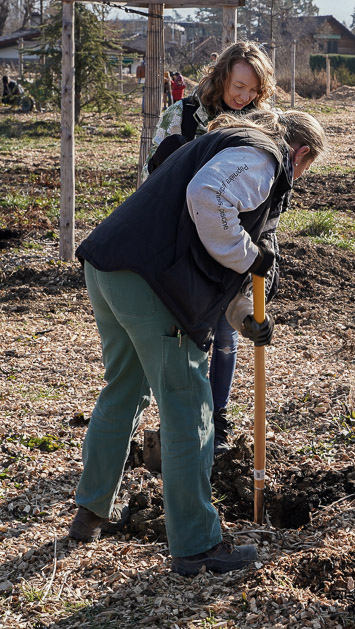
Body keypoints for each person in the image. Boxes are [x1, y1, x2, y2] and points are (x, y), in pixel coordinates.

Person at [68, 109, 327, 575]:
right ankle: (196, 545)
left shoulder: (223, 144)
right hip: (151, 284)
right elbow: (207, 202)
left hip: (110, 267)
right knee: (189, 407)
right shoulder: (263, 156)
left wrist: (247, 316)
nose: (297, 178)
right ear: (301, 153)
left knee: (124, 388)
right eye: (304, 171)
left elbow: (208, 246)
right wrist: (254, 257)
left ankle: (90, 512)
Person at [144, 41, 277, 454]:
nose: (243, 97)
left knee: (224, 334)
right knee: (182, 336)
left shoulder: (256, 125)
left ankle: (216, 421)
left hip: (226, 244)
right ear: (221, 75)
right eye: (238, 86)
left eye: (252, 92)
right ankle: (182, 421)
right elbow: (154, 179)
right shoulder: (181, 116)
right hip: (181, 245)